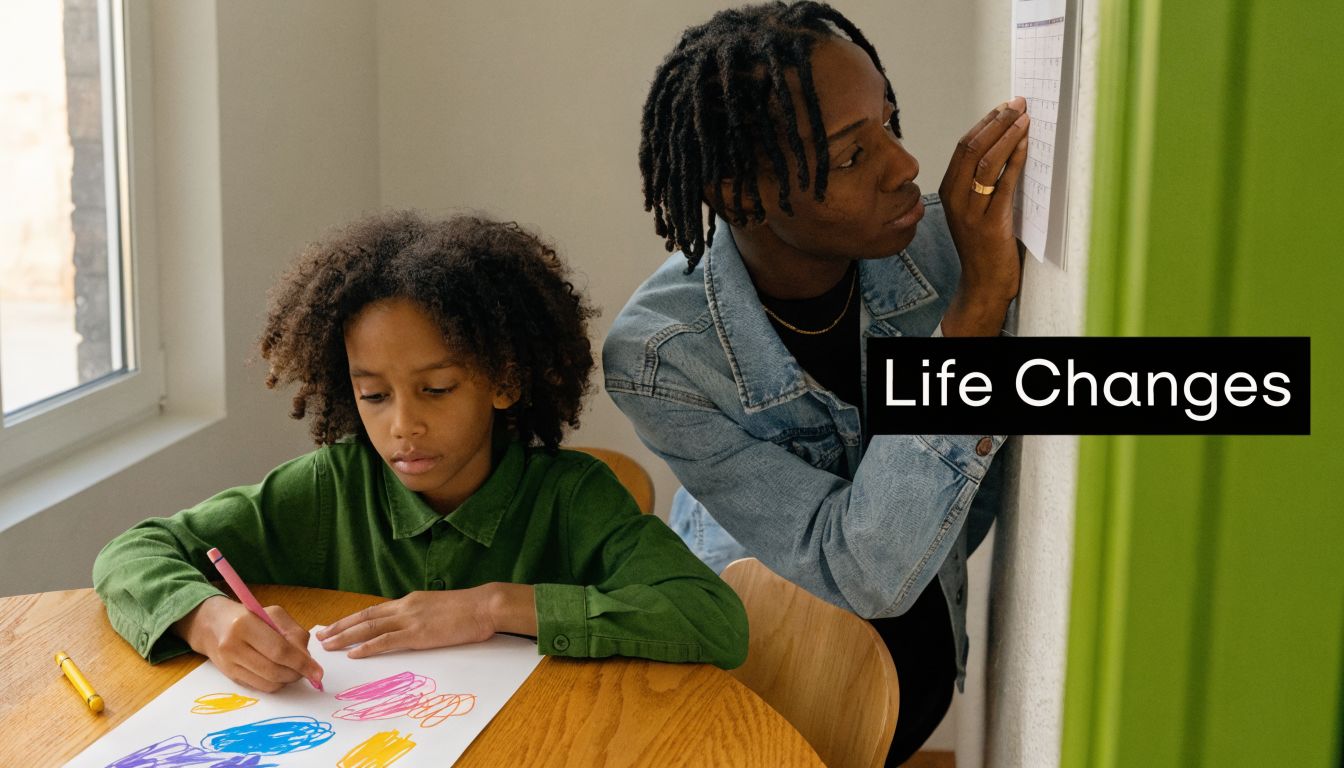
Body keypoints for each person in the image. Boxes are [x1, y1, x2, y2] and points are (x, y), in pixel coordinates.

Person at [604, 2, 1027, 761]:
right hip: (766, 689)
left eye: (890, 124)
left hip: (917, 678)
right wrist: (975, 314)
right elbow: (862, 569)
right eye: (851, 157)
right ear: (740, 198)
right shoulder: (661, 356)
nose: (906, 166)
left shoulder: (951, 245)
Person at [94, 211, 748, 693]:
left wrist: (494, 607)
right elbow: (133, 552)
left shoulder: (573, 498)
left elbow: (713, 620)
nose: (403, 425)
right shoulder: (330, 491)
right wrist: (206, 620)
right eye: (373, 395)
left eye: (436, 389)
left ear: (504, 381)